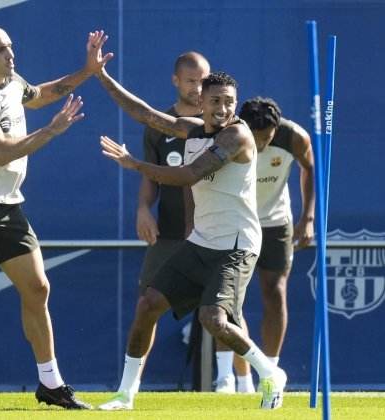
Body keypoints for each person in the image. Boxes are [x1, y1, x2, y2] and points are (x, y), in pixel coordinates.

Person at [0, 26, 112, 409]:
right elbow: (0, 153)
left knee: (38, 289)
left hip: (6, 203)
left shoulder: (12, 80)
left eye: (11, 48)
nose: (10, 55)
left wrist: (88, 71)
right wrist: (51, 130)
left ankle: (50, 383)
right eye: (1, 50)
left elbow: (42, 94)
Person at [94, 65, 287, 410]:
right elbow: (145, 114)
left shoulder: (237, 137)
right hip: (202, 240)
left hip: (236, 245)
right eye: (216, 101)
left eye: (229, 102)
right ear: (200, 102)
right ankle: (125, 395)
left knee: (212, 319)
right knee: (148, 304)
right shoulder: (192, 130)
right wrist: (101, 75)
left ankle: (270, 372)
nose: (223, 109)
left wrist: (134, 164)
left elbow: (187, 175)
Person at [213, 97, 314, 393]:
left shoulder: (295, 137)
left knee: (275, 292)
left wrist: (308, 217)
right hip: (234, 221)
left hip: (275, 223)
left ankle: (269, 373)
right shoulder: (228, 135)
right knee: (226, 299)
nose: (260, 146)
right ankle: (230, 379)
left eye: (267, 138)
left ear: (277, 129)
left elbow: (309, 169)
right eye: (255, 140)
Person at [134, 51, 209, 379]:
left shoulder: (219, 127)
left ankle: (235, 381)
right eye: (191, 81)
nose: (197, 87)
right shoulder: (159, 126)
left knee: (222, 311)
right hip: (169, 233)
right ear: (175, 81)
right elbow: (150, 175)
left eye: (203, 81)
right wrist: (143, 209)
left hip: (212, 232)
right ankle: (129, 384)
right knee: (146, 307)